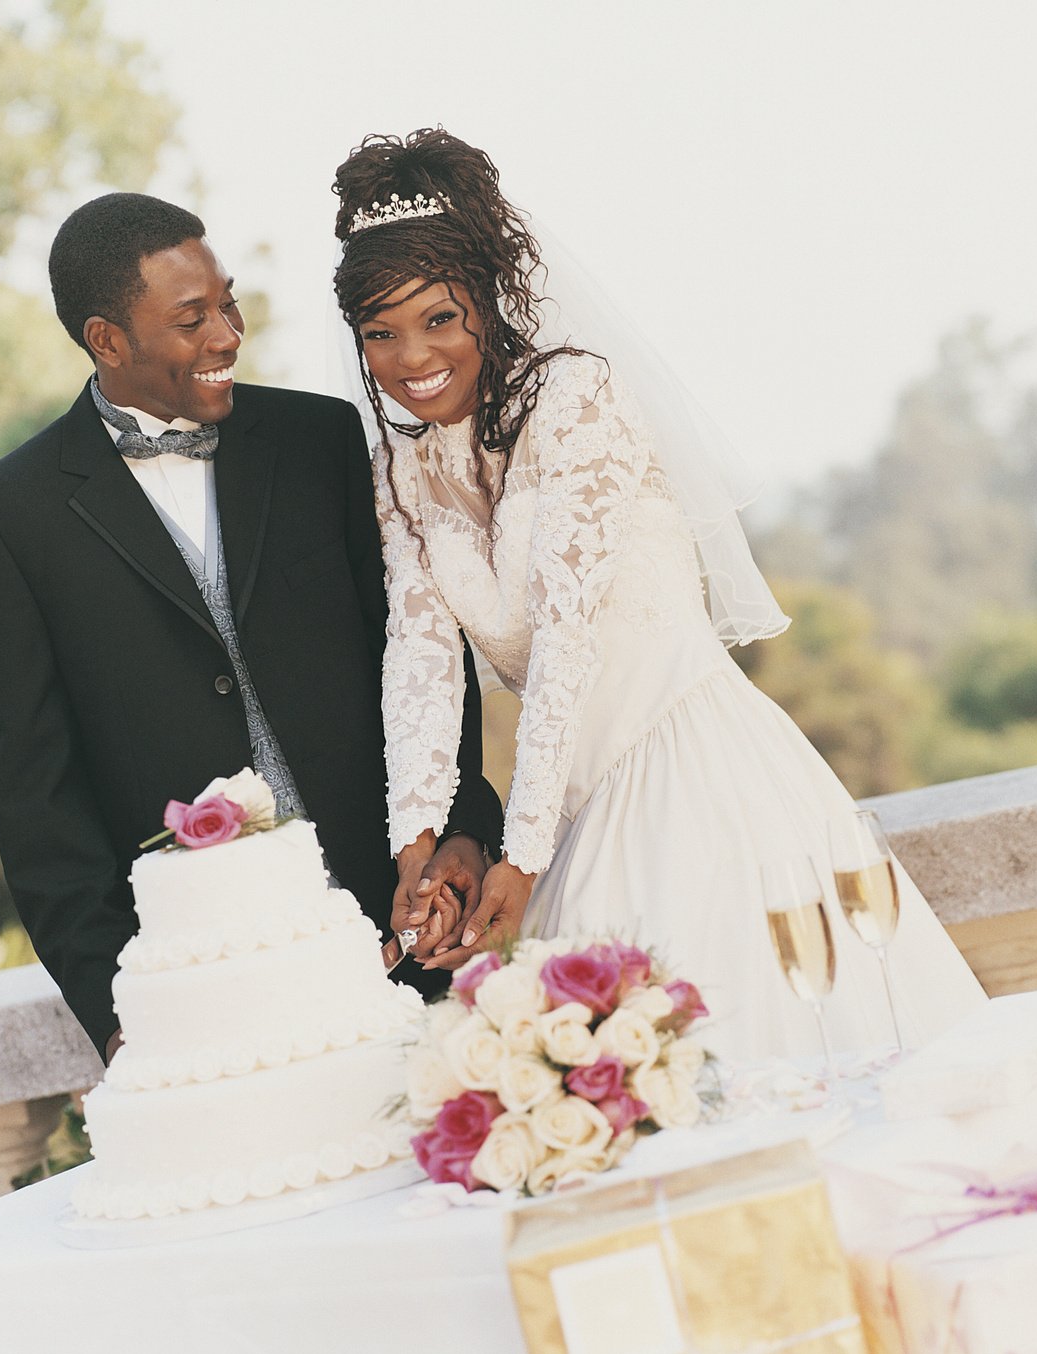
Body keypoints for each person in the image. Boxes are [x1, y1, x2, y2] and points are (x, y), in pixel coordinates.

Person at [331, 130, 985, 1063]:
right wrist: (419, 857)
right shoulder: (400, 470)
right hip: (575, 807)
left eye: (439, 318)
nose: (412, 355)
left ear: (485, 298)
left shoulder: (575, 397)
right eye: (381, 332)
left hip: (695, 768)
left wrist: (519, 859)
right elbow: (421, 666)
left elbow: (567, 640)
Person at [0, 192, 503, 1064]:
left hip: (406, 926)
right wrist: (122, 1012)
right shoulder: (4, 520)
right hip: (209, 988)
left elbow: (422, 656)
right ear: (107, 340)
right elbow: (36, 798)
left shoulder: (318, 440)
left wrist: (464, 828)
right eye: (192, 318)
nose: (228, 335)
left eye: (229, 303)